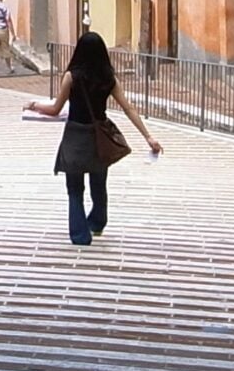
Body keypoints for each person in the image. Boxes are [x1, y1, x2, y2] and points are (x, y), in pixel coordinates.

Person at [28, 30, 160, 246]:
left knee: (74, 189)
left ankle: (80, 235)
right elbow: (128, 108)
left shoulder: (71, 77)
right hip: (99, 138)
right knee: (99, 184)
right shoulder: (109, 79)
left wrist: (33, 106)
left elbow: (55, 109)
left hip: (75, 137)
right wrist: (149, 137)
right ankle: (97, 222)